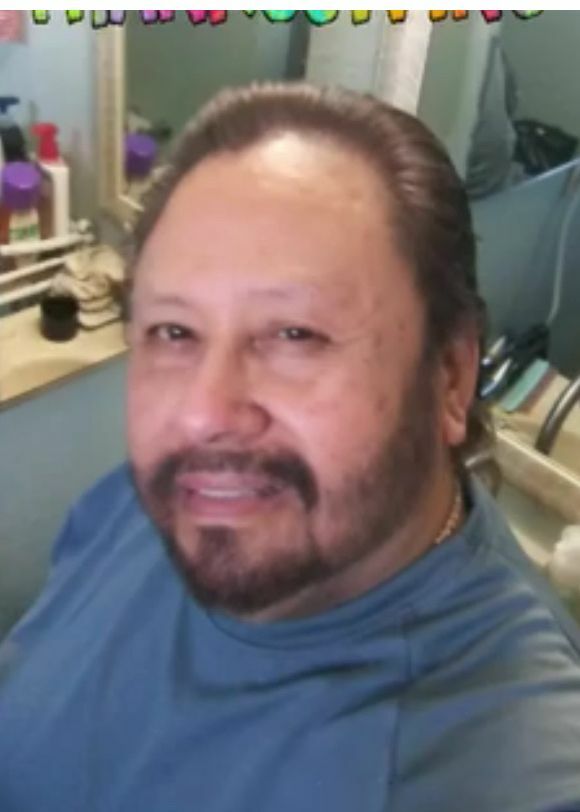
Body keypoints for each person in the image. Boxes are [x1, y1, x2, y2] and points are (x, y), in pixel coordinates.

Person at [1, 82, 579, 812]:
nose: (203, 415)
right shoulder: (154, 505)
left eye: (295, 335)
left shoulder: (504, 771)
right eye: (174, 332)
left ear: (451, 377)